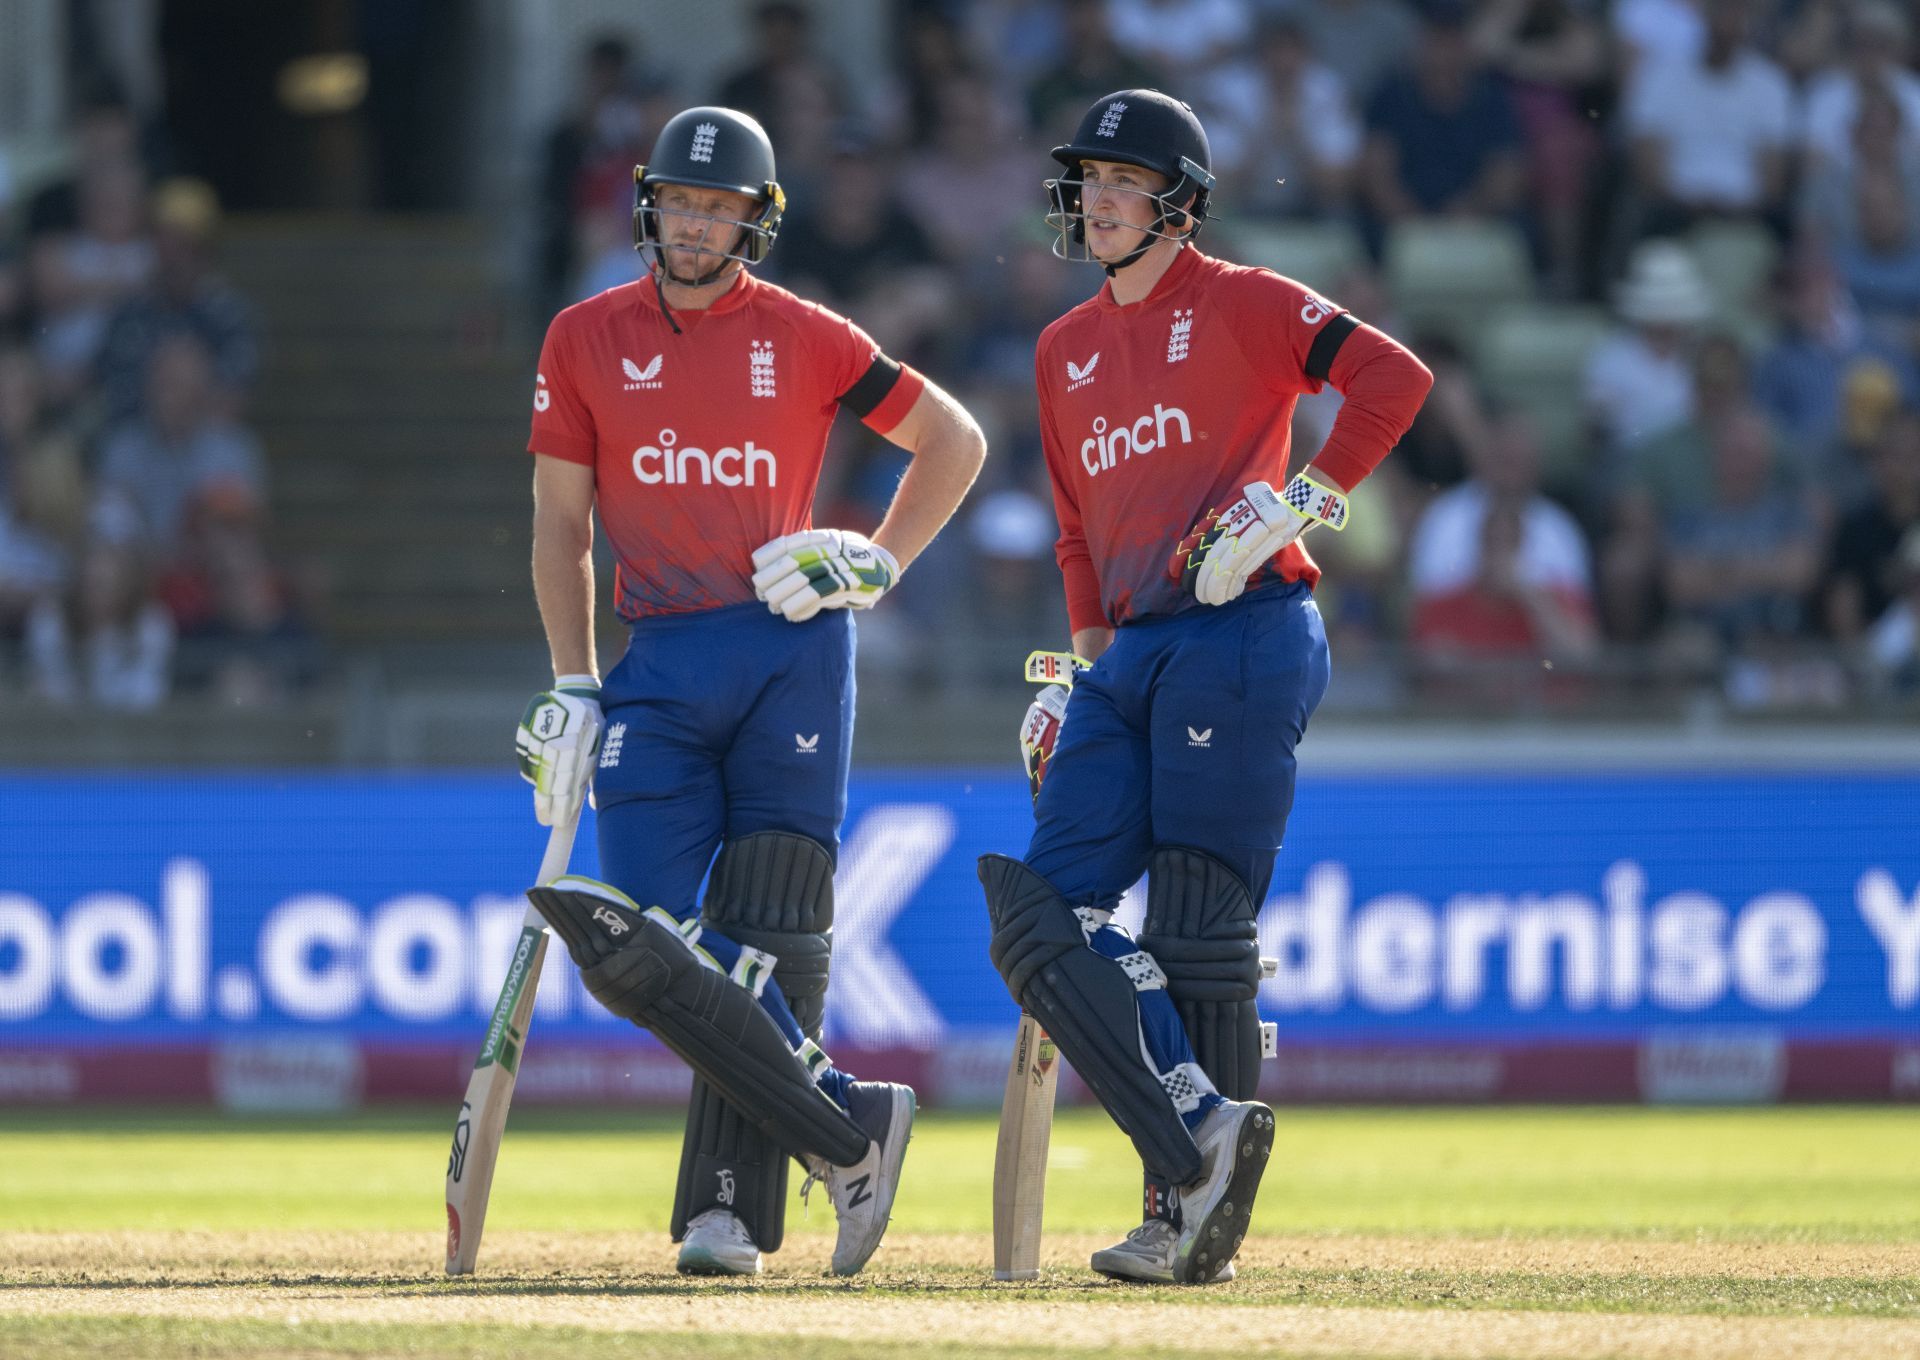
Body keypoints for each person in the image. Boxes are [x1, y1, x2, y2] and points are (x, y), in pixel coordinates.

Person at [515, 107, 986, 1279]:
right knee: (636, 943)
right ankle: (848, 1123)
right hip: (659, 663)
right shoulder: (581, 337)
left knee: (773, 939)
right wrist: (574, 682)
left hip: (793, 648)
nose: (693, 224)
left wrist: (879, 557)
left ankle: (726, 1213)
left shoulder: (807, 334)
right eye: (678, 201)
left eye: (718, 208)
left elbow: (957, 440)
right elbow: (562, 527)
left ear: (755, 222)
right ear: (648, 206)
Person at [982, 89, 1430, 1286]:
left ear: (1180, 199)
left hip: (1247, 628)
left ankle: (1184, 1215)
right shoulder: (1061, 347)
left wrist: (1310, 499)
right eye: (1087, 182)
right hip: (1127, 654)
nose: (1098, 202)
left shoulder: (1248, 300)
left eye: (1124, 182)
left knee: (1194, 931)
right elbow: (1076, 532)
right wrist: (1080, 671)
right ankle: (1200, 1129)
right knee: (1037, 914)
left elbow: (1394, 380)